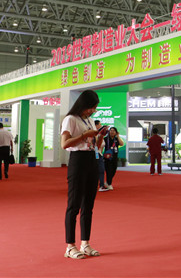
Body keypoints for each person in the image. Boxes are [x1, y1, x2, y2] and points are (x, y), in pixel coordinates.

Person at [61, 90, 106, 259]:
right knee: (74, 205)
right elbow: (64, 144)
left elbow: (95, 146)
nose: (93, 111)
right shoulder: (70, 119)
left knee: (88, 205)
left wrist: (99, 136)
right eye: (91, 107)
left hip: (91, 160)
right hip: (77, 161)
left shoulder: (90, 120)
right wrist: (84, 135)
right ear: (83, 104)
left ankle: (85, 243)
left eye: (94, 108)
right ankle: (70, 246)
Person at [95, 120, 109, 192]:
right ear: (96, 126)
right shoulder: (95, 134)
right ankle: (101, 185)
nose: (101, 125)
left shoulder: (101, 135)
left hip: (99, 153)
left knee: (101, 170)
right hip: (96, 153)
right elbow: (97, 146)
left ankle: (101, 185)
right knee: (100, 169)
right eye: (100, 124)